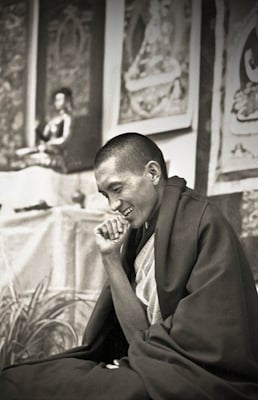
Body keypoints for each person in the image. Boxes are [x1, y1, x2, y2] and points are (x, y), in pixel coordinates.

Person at [1, 132, 258, 399]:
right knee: (17, 378)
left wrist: (139, 362)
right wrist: (110, 257)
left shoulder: (203, 223)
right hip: (153, 364)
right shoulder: (141, 233)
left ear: (153, 173)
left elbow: (213, 345)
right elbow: (137, 335)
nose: (112, 205)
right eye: (105, 195)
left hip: (195, 376)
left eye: (117, 188)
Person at [38, 87, 73, 155]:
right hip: (47, 150)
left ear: (66, 101)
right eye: (56, 100)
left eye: (59, 100)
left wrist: (50, 143)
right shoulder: (52, 119)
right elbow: (45, 137)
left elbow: (65, 139)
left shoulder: (67, 118)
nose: (57, 102)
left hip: (59, 152)